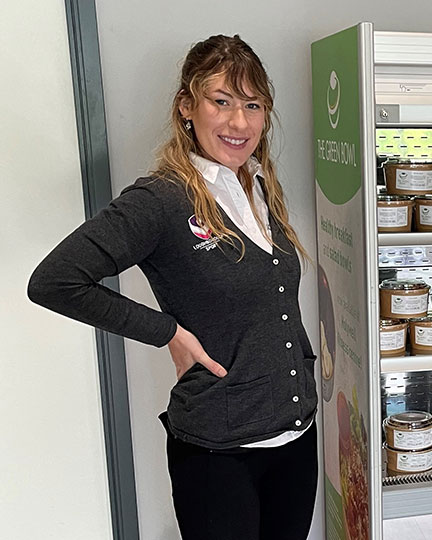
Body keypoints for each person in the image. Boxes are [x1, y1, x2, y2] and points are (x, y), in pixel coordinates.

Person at [28, 35, 318, 540]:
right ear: (187, 106)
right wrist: (167, 332)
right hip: (219, 452)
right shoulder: (161, 199)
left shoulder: (257, 184)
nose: (239, 122)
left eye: (253, 105)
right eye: (221, 101)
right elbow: (54, 281)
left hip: (296, 436)